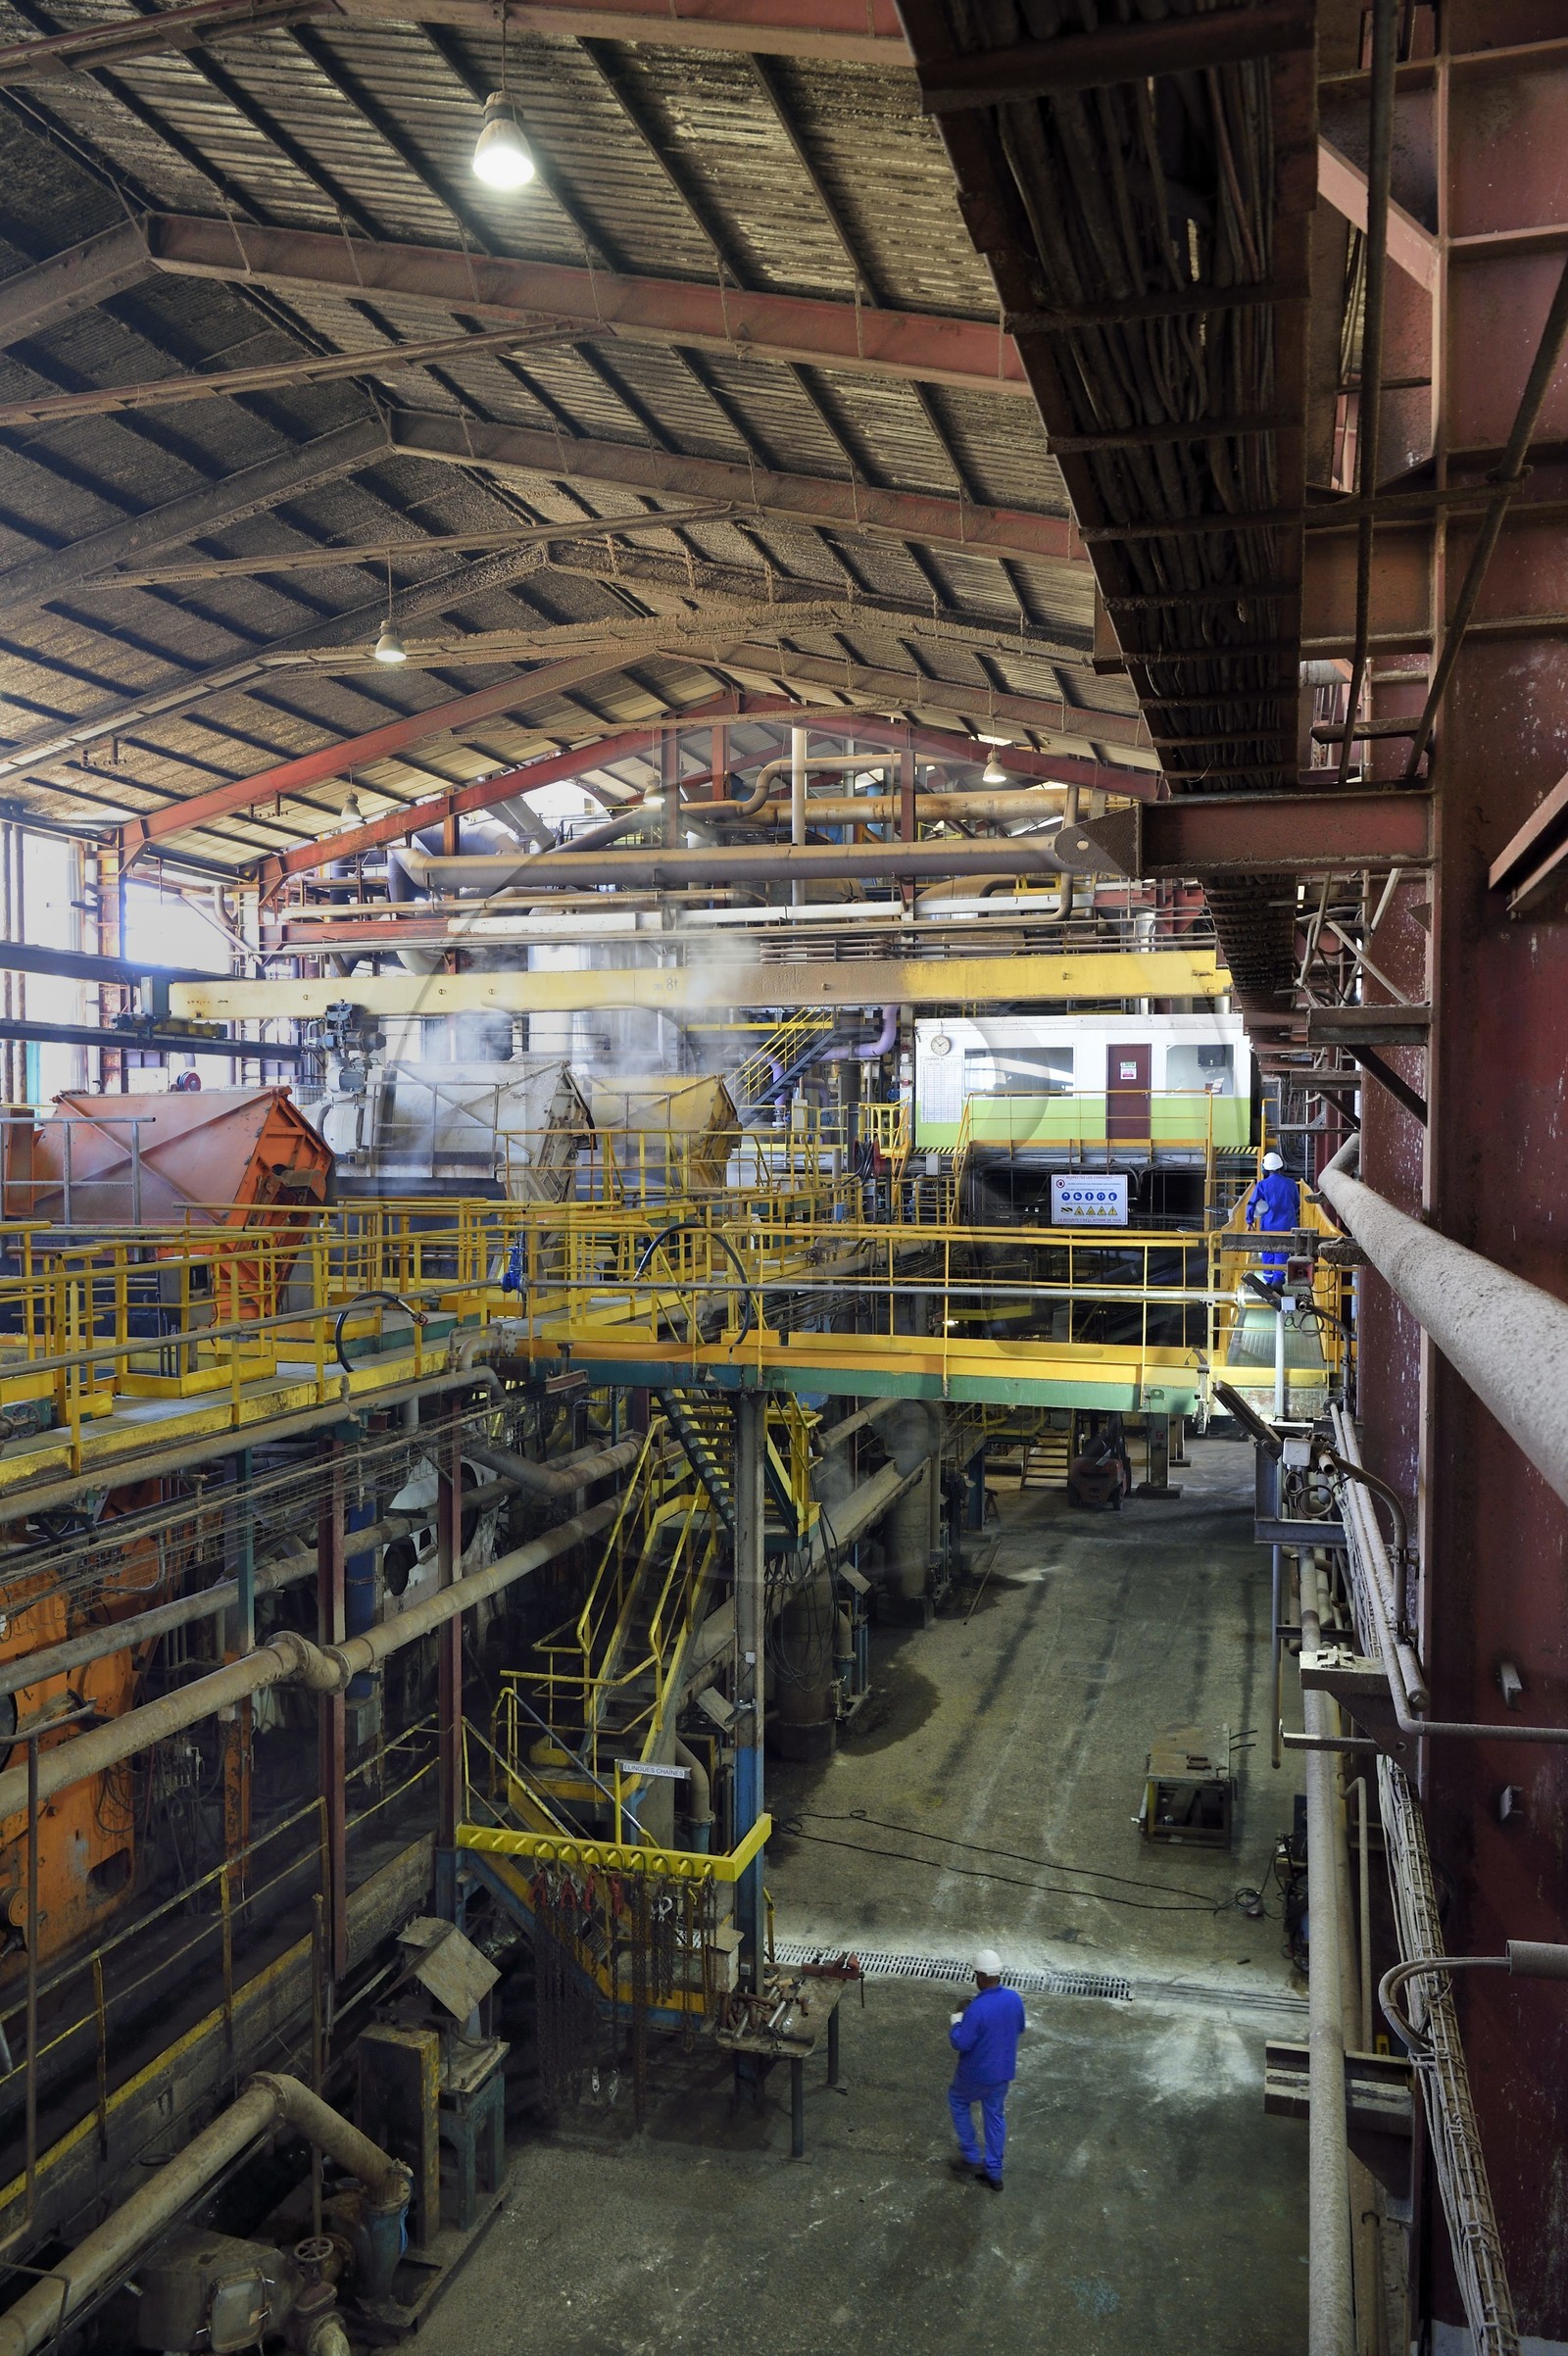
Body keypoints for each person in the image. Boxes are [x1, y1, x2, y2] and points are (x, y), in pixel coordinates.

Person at [948, 1946, 1027, 2192]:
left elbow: (961, 2043)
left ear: (981, 1976)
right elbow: (1020, 2027)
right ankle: (994, 2173)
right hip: (1001, 2074)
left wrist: (956, 2024)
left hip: (974, 2075)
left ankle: (971, 2156)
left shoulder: (976, 2010)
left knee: (957, 2101)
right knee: (995, 2118)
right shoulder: (1014, 1999)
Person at [1245, 1150, 1299, 1276]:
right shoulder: (1291, 1183)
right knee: (1282, 1251)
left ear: (1265, 1169)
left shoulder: (1262, 1185)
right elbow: (1296, 1203)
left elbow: (1252, 1203)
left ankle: (1268, 1280)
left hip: (1268, 1225)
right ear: (1282, 1166)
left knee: (1267, 1250)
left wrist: (1249, 1221)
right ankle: (1278, 1280)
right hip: (1287, 1224)